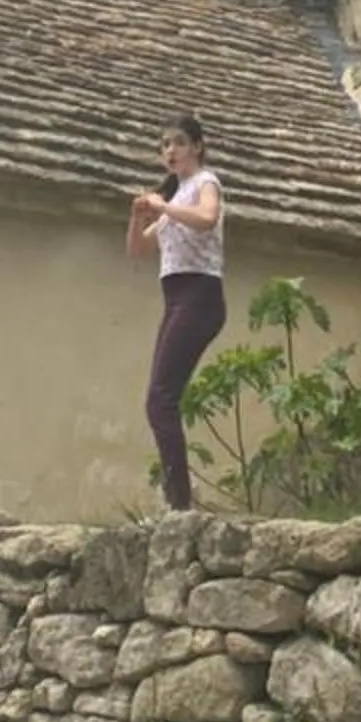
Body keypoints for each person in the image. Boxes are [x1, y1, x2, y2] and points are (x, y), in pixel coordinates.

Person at [126, 113, 227, 511]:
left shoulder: (205, 183)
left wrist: (164, 206)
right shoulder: (176, 198)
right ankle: (179, 498)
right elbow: (138, 250)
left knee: (161, 400)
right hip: (176, 299)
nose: (171, 151)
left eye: (179, 142)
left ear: (197, 147)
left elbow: (207, 219)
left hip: (200, 295)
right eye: (165, 144)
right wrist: (137, 218)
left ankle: (180, 503)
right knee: (159, 399)